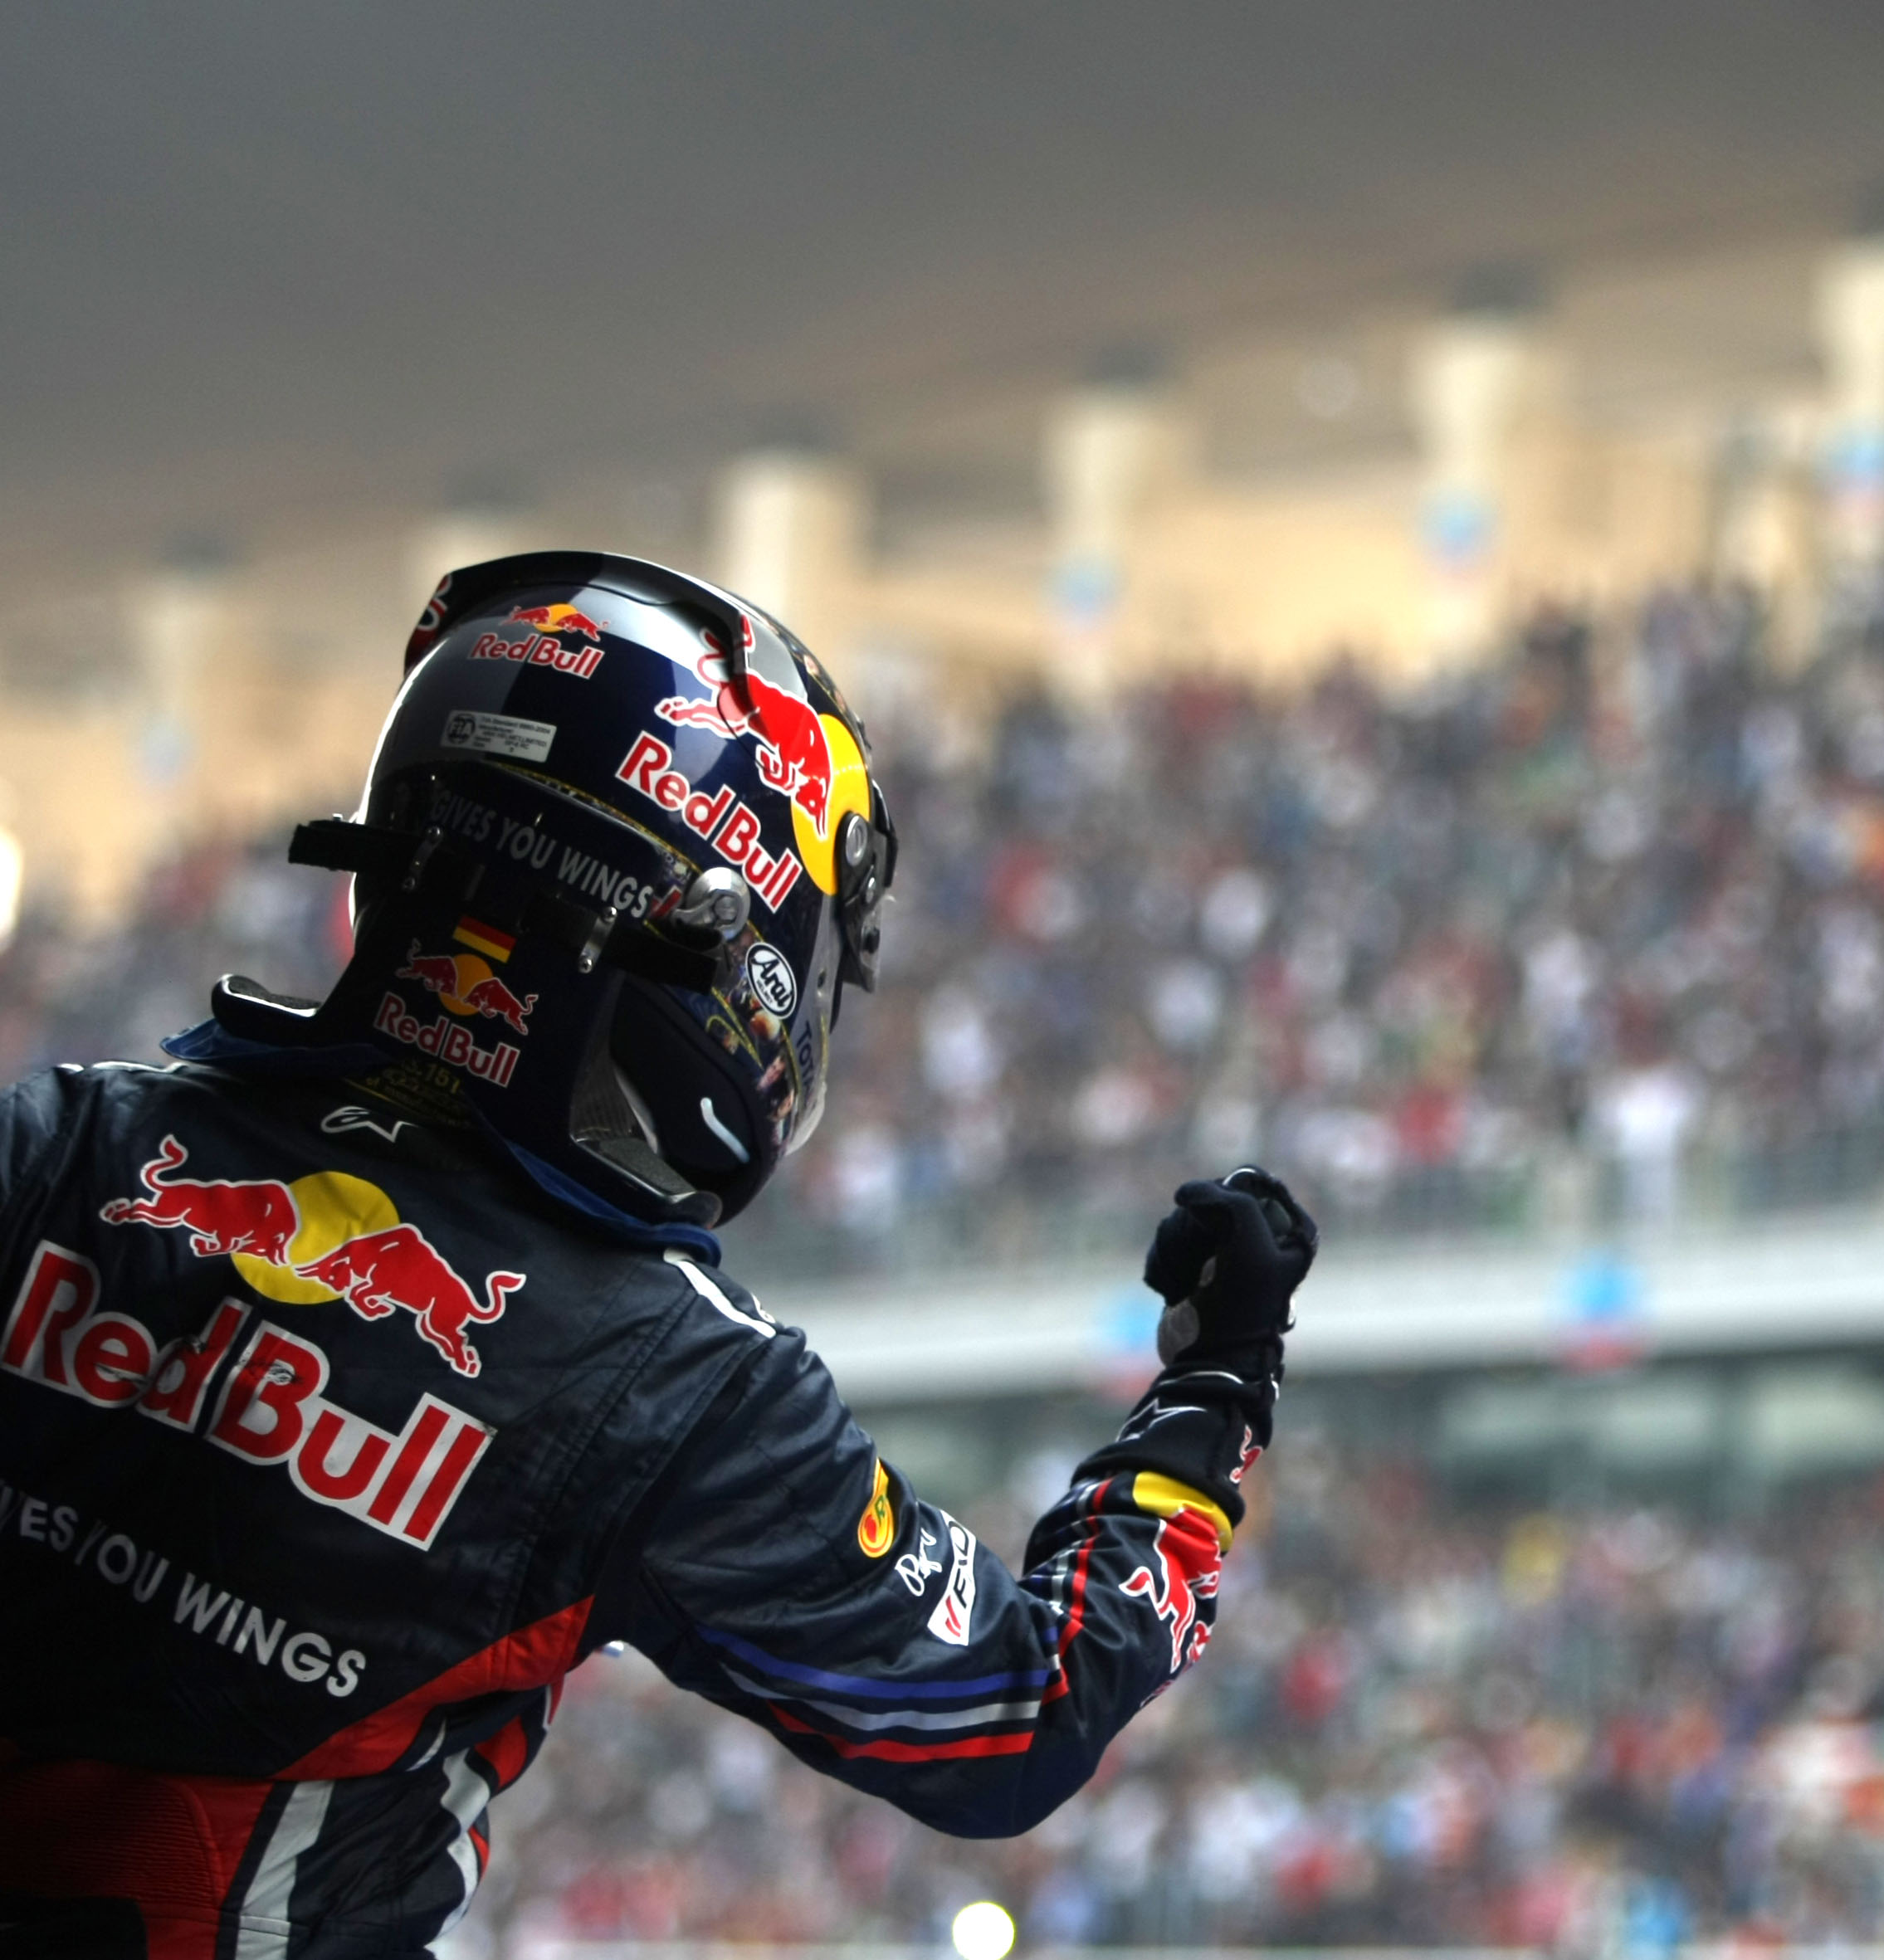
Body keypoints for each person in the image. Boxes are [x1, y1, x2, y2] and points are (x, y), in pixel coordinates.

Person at [0, 553, 1314, 1957]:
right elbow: (1016, 1716)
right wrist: (1218, 1385)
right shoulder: (670, 1376)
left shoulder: (59, 1136)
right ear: (718, 929)